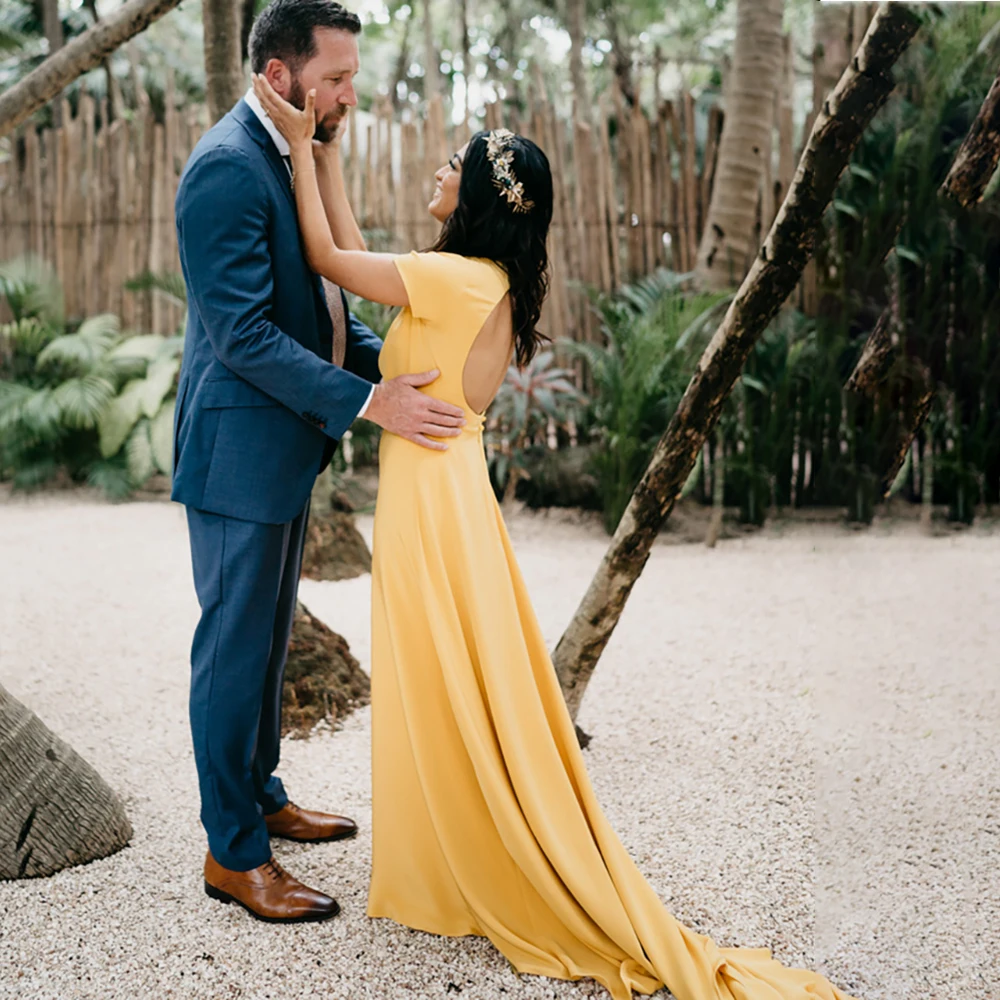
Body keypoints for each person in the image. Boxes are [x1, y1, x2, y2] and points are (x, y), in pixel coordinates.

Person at [252, 47, 859, 1000]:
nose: (439, 171)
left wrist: (295, 145)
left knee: (439, 668)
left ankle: (467, 858)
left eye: (454, 162)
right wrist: (328, 149)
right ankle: (456, 849)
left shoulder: (458, 279)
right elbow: (360, 250)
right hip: (444, 488)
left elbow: (330, 259)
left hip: (431, 497)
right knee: (447, 672)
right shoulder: (472, 275)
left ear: (484, 195)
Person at [172, 0, 467, 924]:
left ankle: (262, 795)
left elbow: (329, 301)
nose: (350, 93)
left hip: (284, 447)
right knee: (231, 652)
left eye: (350, 76)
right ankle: (234, 853)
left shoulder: (286, 155)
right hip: (237, 454)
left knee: (266, 648)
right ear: (279, 77)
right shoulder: (225, 169)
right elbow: (247, 334)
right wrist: (372, 403)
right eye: (335, 78)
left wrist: (393, 363)